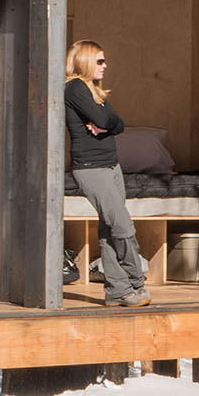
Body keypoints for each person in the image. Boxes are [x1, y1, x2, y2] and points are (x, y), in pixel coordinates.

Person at [63, 40, 148, 306]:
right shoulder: (75, 88)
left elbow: (118, 124)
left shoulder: (94, 91)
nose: (105, 65)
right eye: (100, 61)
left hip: (111, 166)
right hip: (92, 168)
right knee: (122, 224)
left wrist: (107, 124)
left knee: (109, 227)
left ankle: (116, 290)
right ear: (86, 62)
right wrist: (106, 122)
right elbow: (105, 120)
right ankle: (136, 282)